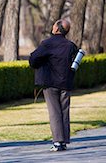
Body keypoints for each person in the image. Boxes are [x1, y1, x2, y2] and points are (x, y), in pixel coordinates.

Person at [29, 19, 78, 151]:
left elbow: (33, 59)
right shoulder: (71, 46)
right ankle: (64, 141)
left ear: (56, 29)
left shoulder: (47, 44)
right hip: (66, 82)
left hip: (50, 82)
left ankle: (57, 141)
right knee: (64, 111)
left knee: (54, 112)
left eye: (54, 25)